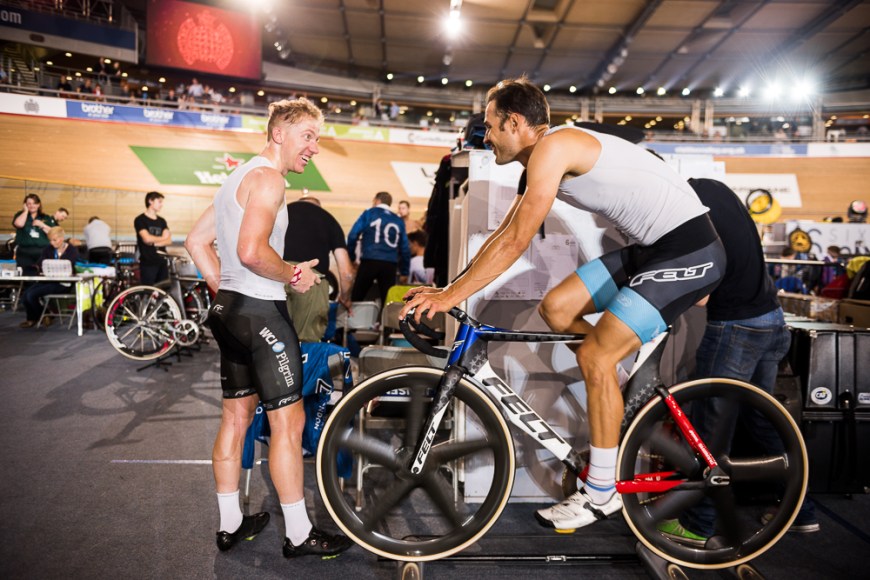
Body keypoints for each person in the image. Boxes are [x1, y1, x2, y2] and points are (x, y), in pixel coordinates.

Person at [400, 77, 725, 532]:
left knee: (594, 354)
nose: (485, 136)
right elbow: (503, 236)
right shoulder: (534, 163)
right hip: (650, 250)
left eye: (491, 126)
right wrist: (449, 288)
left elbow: (515, 241)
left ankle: (600, 493)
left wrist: (448, 296)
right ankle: (612, 386)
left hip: (688, 250)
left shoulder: (554, 148)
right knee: (557, 308)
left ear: (515, 122)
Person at [184, 97, 351, 559]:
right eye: (309, 136)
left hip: (233, 313)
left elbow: (195, 242)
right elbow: (253, 251)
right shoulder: (270, 179)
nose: (314, 148)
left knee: (236, 418)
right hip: (261, 314)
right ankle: (299, 534)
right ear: (279, 133)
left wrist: (229, 293)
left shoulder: (234, 179)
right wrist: (295, 274)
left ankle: (230, 523)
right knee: (288, 422)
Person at [658, 177, 818, 543]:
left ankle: (698, 524)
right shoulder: (713, 189)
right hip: (771, 320)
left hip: (735, 328)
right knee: (762, 420)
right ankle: (802, 510)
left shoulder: (681, 210)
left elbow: (700, 295)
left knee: (710, 431)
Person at [283, 195, 354, 342]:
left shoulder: (281, 213)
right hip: (311, 282)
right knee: (306, 343)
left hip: (277, 276)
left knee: (273, 340)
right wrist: (345, 298)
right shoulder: (328, 219)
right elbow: (346, 273)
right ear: (319, 207)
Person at [347, 191, 411, 304]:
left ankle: (353, 320)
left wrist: (351, 258)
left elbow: (353, 235)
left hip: (369, 260)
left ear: (377, 200)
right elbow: (405, 248)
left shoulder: (369, 213)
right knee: (388, 302)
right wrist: (404, 271)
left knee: (357, 298)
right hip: (390, 264)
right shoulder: (398, 220)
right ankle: (385, 322)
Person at [19, 226, 79, 328]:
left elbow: (72, 266)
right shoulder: (48, 249)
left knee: (31, 295)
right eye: (50, 240)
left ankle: (40, 316)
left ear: (62, 238)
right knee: (25, 295)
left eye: (54, 240)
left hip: (63, 284)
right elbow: (40, 262)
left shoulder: (72, 250)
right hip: (48, 280)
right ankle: (41, 315)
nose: (52, 243)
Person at [12, 194, 56, 276]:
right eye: (29, 203)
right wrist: (25, 211)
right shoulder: (20, 215)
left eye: (34, 203)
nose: (32, 205)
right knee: (25, 275)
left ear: (39, 205)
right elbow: (19, 224)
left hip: (42, 251)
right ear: (25, 204)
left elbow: (54, 233)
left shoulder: (46, 217)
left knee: (42, 275)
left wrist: (42, 225)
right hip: (24, 252)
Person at [135, 191, 172, 285]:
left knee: (163, 291)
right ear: (150, 201)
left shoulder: (162, 221)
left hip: (162, 261)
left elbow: (168, 240)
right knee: (148, 291)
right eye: (159, 201)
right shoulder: (140, 220)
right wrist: (162, 238)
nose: (161, 204)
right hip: (148, 262)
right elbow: (146, 239)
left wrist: (154, 241)